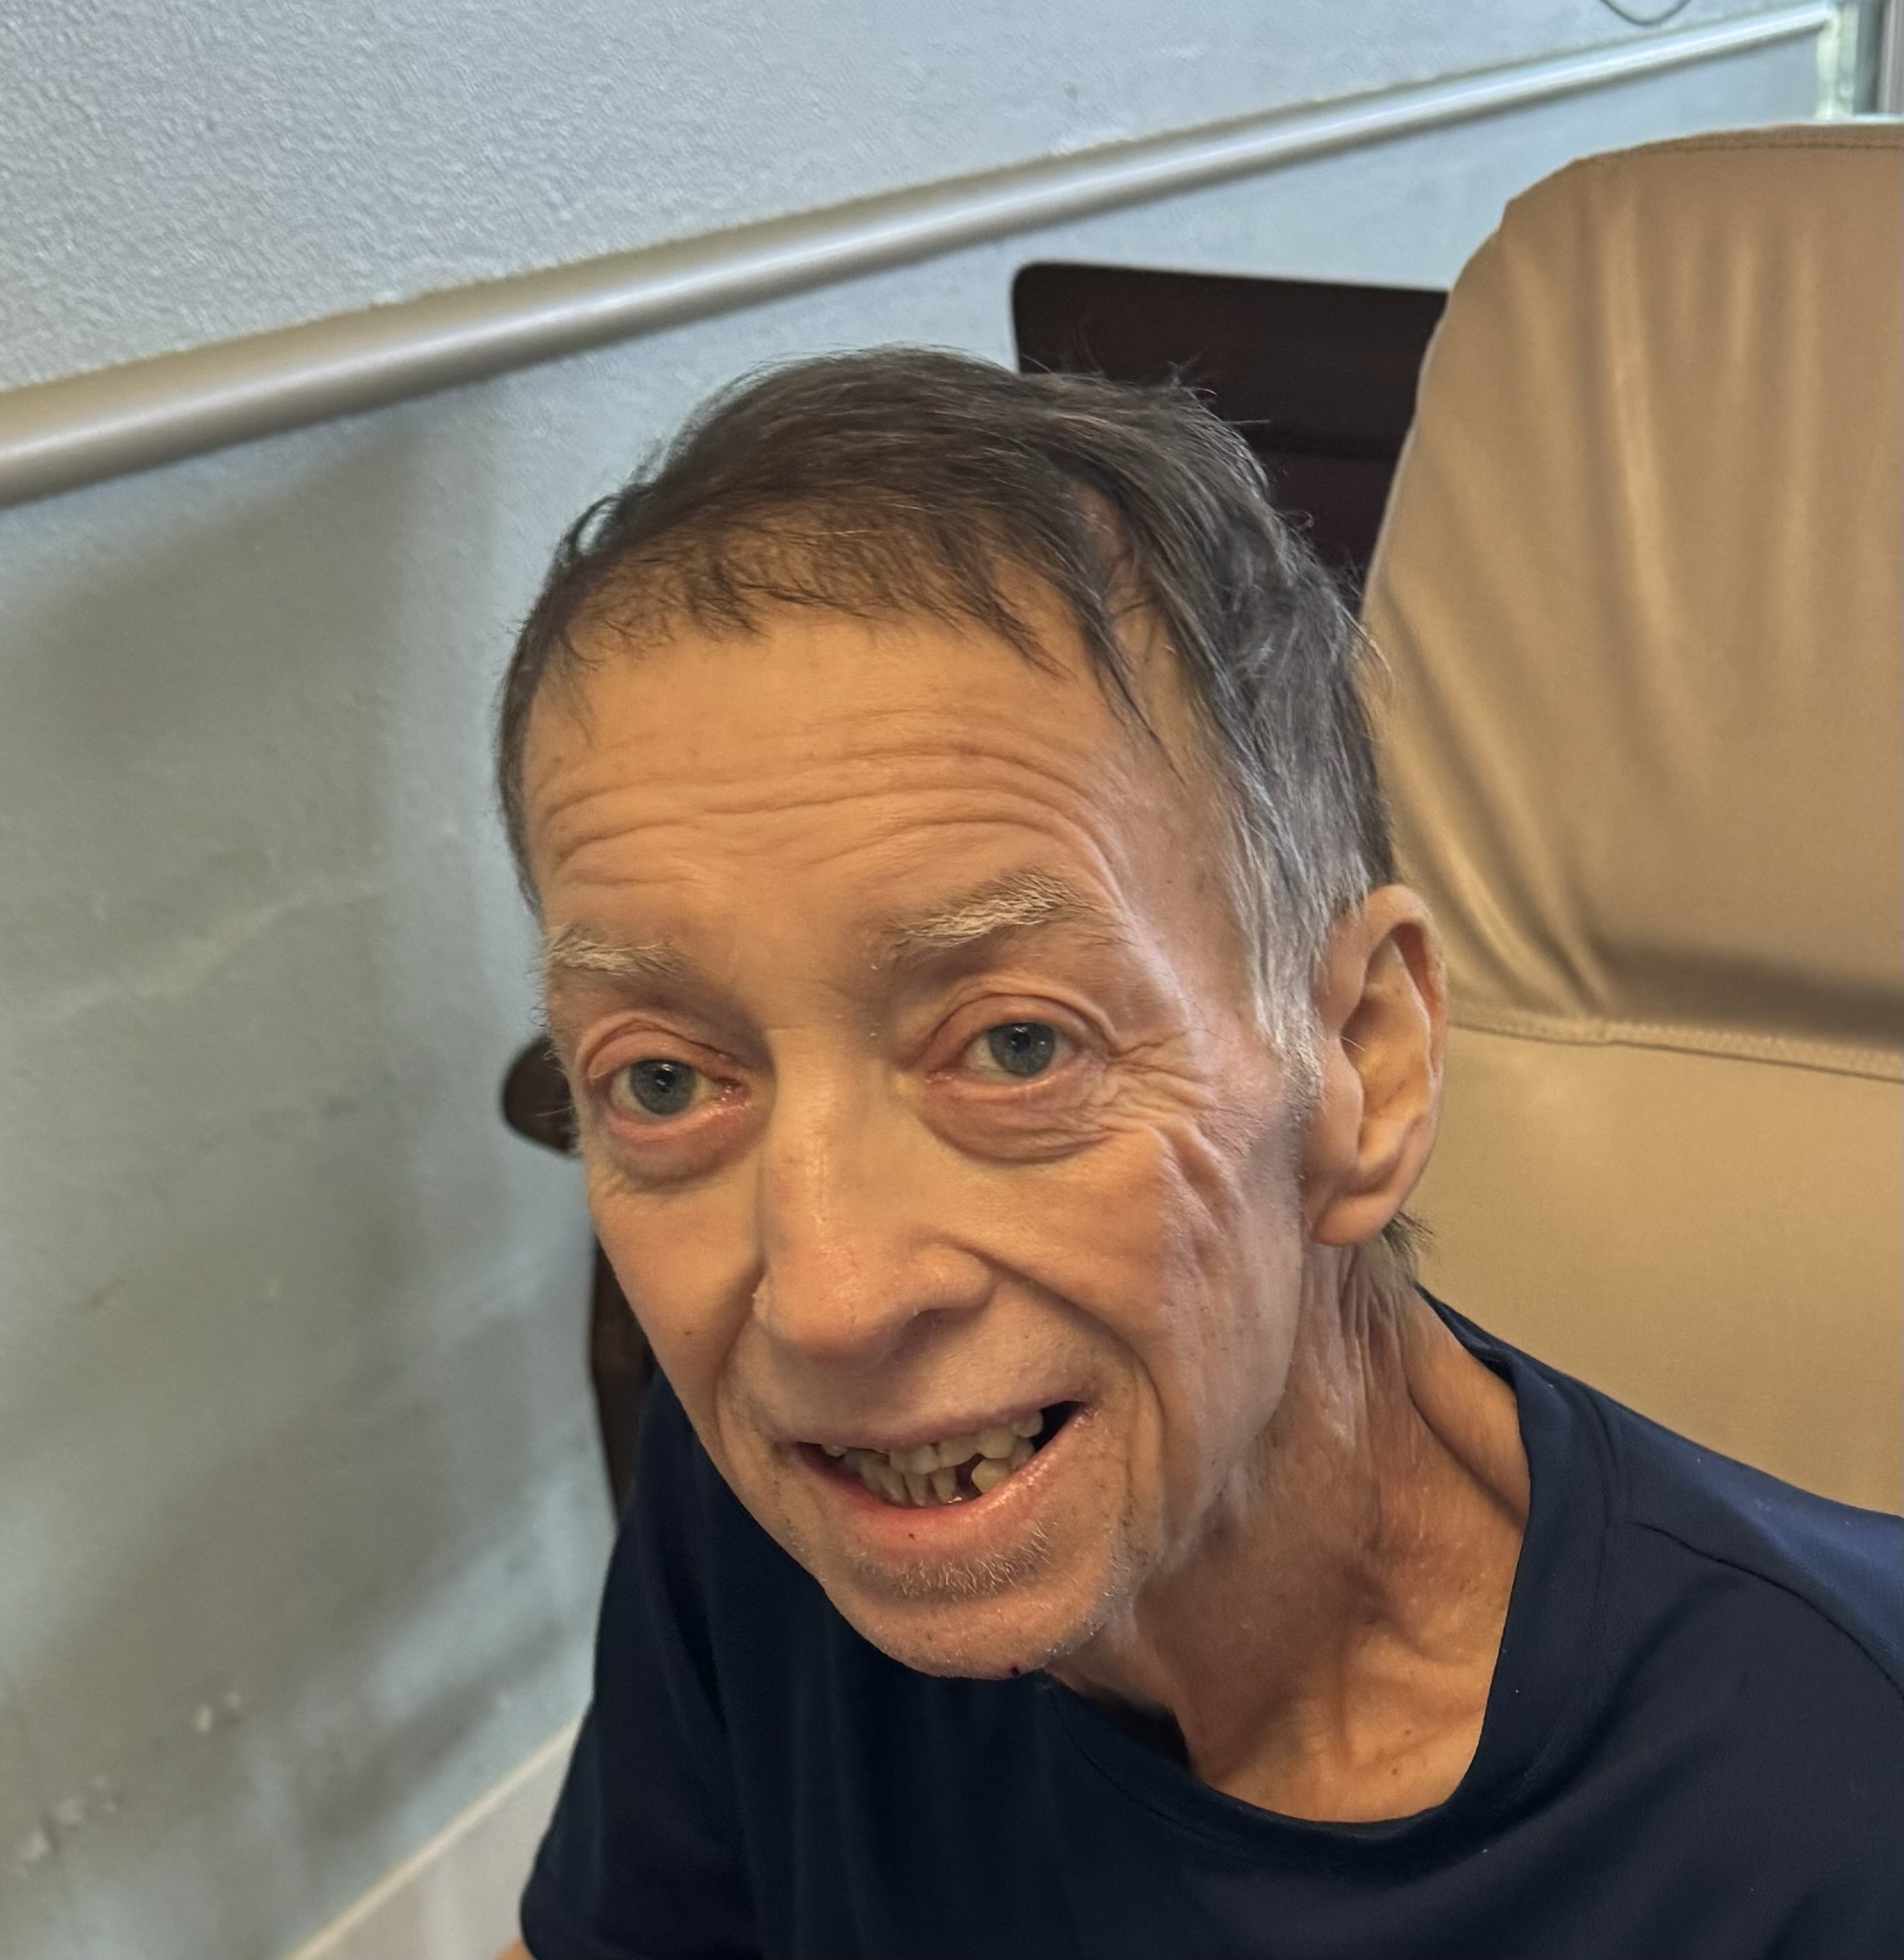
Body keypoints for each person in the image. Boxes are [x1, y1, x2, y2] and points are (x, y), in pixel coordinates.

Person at [495, 350, 1901, 1960]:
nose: (823, 1303)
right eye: (665, 1080)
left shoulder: (1833, 1815)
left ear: (1360, 1061)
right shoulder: (785, 1498)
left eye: (1016, 1047)